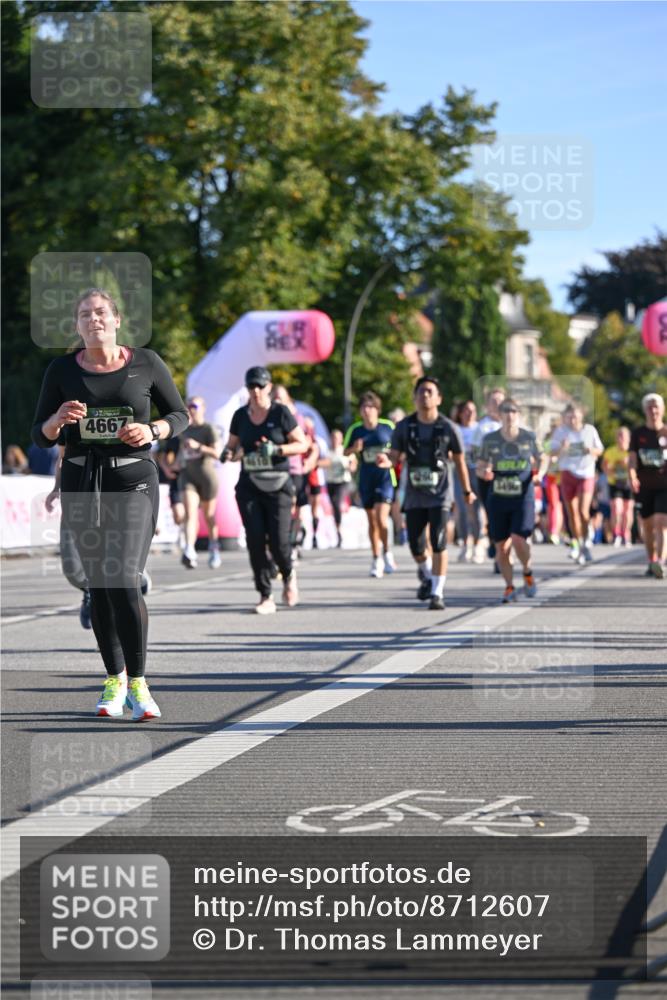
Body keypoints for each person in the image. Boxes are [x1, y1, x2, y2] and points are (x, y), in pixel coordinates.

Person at [31, 288, 189, 720]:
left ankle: (139, 682)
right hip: (84, 480)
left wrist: (153, 430)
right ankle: (114, 679)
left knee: (122, 575)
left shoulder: (146, 363)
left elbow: (180, 415)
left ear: (116, 320)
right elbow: (39, 432)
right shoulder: (61, 370)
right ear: (77, 326)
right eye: (84, 315)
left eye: (101, 313)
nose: (93, 320)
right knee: (99, 584)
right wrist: (56, 421)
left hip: (133, 479)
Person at [377, 377, 476, 610]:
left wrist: (466, 490)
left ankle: (437, 593)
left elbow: (460, 462)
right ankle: (426, 572)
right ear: (415, 397)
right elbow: (395, 455)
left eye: (430, 392)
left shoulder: (448, 427)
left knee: (439, 541)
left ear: (439, 398)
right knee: (416, 546)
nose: (425, 396)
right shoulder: (404, 427)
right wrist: (386, 460)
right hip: (414, 495)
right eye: (421, 392)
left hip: (441, 494)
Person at [223, 366, 308, 613]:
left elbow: (302, 444)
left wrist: (278, 450)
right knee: (255, 539)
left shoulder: (281, 413)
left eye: (260, 386)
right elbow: (233, 446)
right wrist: (228, 453)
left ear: (269, 387)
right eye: (251, 386)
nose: (256, 391)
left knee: (280, 543)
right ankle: (265, 595)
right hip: (250, 484)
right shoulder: (240, 416)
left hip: (279, 484)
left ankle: (289, 574)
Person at [477, 398, 548, 603]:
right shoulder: (490, 439)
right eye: (505, 412)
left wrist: (540, 474)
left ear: (519, 415)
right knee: (502, 547)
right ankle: (509, 586)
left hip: (522, 495)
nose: (509, 415)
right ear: (499, 415)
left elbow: (542, 457)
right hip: (498, 496)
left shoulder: (528, 437)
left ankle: (527, 571)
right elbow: (480, 466)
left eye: (513, 411)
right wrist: (485, 472)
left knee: (518, 538)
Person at [343, 391, 396, 578]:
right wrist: (354, 450)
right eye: (364, 407)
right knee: (372, 521)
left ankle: (387, 551)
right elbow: (345, 452)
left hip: (385, 477)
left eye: (371, 407)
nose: (367, 411)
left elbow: (398, 450)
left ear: (377, 410)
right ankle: (376, 558)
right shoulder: (356, 430)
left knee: (382, 518)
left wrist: (389, 458)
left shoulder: (388, 427)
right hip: (366, 477)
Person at [550, 403, 603, 565]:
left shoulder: (589, 430)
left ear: (581, 416)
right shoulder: (560, 432)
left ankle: (587, 537)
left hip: (586, 473)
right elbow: (552, 452)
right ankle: (578, 543)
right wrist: (562, 448)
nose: (572, 420)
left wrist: (590, 451)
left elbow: (599, 450)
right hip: (567, 472)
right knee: (571, 512)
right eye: (569, 416)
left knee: (583, 510)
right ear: (565, 417)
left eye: (575, 416)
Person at [179, 397, 221, 569]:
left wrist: (199, 446)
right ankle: (189, 549)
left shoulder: (208, 429)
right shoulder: (184, 430)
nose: (192, 409)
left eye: (195, 406)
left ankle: (214, 547)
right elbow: (180, 453)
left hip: (207, 477)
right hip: (188, 475)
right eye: (189, 406)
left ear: (203, 408)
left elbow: (217, 453)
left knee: (209, 516)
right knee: (190, 512)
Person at [629, 393, 667, 578]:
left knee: (662, 522)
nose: (653, 410)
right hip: (644, 486)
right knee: (647, 525)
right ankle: (651, 560)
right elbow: (632, 460)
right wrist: (632, 476)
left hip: (664, 485)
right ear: (645, 410)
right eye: (650, 407)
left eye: (657, 406)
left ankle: (660, 562)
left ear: (662, 409)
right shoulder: (638, 434)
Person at [471, 386, 506, 570]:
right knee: (492, 514)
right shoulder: (482, 427)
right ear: (487, 405)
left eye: (500, 400)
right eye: (493, 401)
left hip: (508, 476)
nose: (497, 404)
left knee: (506, 514)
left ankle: (503, 552)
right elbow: (476, 454)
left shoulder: (513, 423)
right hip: (487, 477)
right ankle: (496, 546)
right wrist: (484, 467)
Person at [453, 400, 485, 563]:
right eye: (466, 410)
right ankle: (466, 544)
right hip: (459, 471)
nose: (469, 413)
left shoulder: (479, 429)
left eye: (472, 410)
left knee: (476, 509)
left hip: (476, 471)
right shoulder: (456, 429)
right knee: (462, 509)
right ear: (460, 413)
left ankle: (478, 543)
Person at [322, 429, 356, 547]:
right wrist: (327, 463)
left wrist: (350, 467)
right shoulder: (327, 451)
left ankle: (340, 530)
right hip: (331, 481)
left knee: (337, 502)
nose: (335, 440)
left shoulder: (346, 451)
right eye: (333, 437)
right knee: (334, 505)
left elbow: (353, 464)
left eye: (337, 438)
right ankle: (337, 529)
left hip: (343, 481)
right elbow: (321, 463)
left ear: (341, 439)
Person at [603, 426, 634, 547]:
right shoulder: (610, 451)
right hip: (615, 483)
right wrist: (611, 470)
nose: (621, 438)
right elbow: (604, 467)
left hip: (628, 483)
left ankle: (626, 534)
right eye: (619, 435)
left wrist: (629, 464)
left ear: (628, 438)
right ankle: (616, 534)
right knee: (617, 508)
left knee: (627, 511)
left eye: (623, 436)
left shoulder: (632, 451)